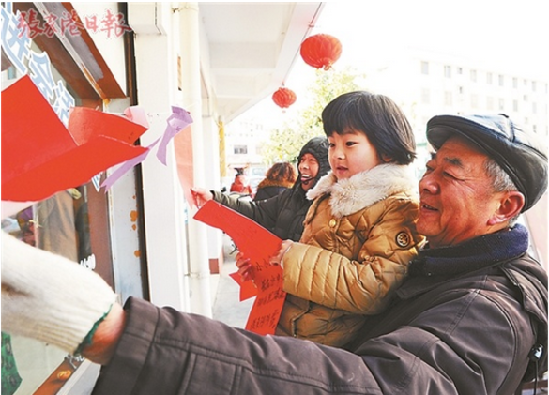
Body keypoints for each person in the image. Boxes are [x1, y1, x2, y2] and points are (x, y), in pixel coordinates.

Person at [2, 112, 547, 394]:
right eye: (431, 165)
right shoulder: (436, 258)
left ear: (505, 206)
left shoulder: (486, 309)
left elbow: (377, 386)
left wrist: (122, 334)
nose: (426, 183)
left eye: (449, 172)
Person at [237, 92, 424, 347]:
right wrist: (267, 266)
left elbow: (376, 287)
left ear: (387, 150)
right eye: (332, 143)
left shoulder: (397, 206)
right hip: (286, 330)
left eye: (350, 144)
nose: (336, 154)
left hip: (330, 350)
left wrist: (290, 259)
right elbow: (305, 268)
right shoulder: (328, 194)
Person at [191, 136, 330, 241]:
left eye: (312, 161)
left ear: (326, 168)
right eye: (302, 160)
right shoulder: (288, 197)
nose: (303, 166)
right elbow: (255, 212)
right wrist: (214, 198)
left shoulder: (335, 206)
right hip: (280, 277)